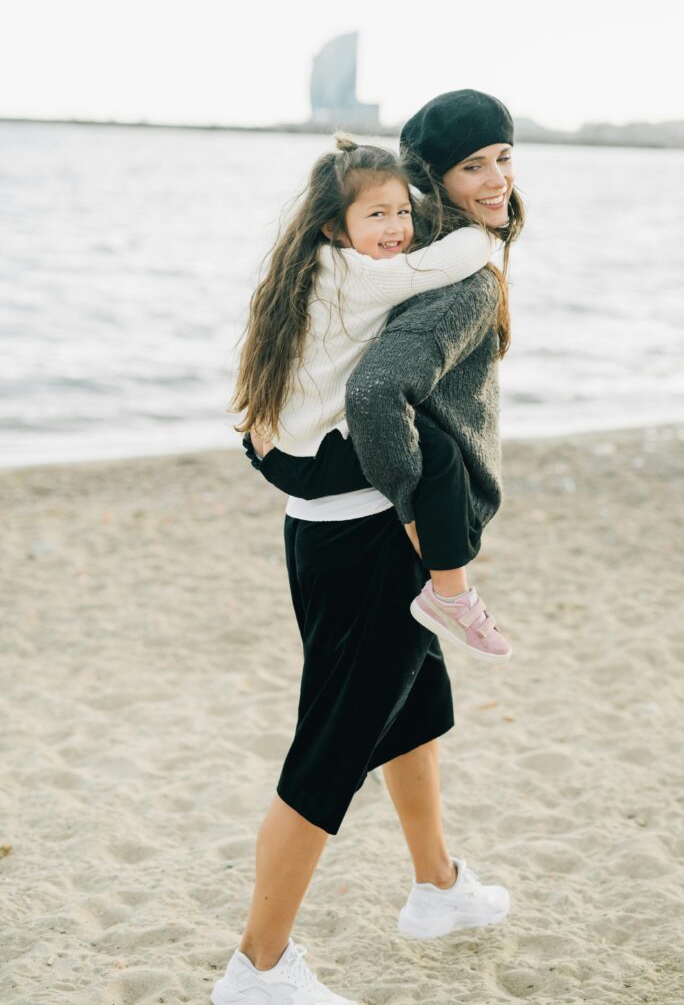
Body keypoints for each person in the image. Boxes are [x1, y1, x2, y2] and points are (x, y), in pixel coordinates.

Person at [211, 90, 522, 1005]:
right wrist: (426, 524)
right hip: (367, 543)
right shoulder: (452, 268)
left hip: (323, 534)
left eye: (504, 155)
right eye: (475, 164)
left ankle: (438, 887)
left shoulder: (369, 255)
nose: (497, 179)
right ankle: (258, 969)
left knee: (413, 707)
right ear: (437, 180)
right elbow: (378, 392)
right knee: (332, 748)